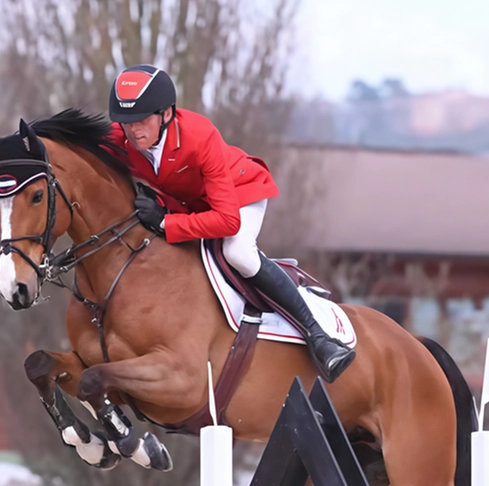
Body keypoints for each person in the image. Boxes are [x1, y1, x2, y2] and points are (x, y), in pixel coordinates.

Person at [106, 64, 355, 383]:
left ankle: (319, 337)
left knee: (238, 252)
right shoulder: (120, 137)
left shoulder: (199, 136)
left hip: (239, 195)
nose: (133, 131)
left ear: (167, 113)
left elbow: (226, 220)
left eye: (141, 121)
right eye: (126, 123)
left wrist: (168, 224)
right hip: (193, 204)